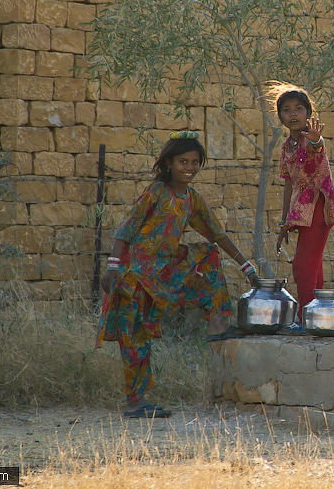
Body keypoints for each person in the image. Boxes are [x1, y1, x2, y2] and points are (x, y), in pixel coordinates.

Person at [97, 131, 258, 418]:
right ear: (169, 163)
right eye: (183, 161)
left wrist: (247, 267)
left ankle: (218, 323)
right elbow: (128, 228)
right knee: (135, 336)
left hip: (164, 272)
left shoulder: (192, 200)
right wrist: (111, 266)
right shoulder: (157, 192)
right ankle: (136, 402)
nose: (189, 168)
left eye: (195, 163)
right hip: (135, 275)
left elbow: (216, 234)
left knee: (207, 255)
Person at [270, 81, 334, 333]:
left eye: (298, 109)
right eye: (287, 110)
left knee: (302, 265)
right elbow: (288, 185)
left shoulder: (310, 139)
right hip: (301, 212)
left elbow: (317, 146)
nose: (293, 114)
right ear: (280, 116)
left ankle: (304, 318)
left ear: (308, 114)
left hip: (319, 207)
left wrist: (316, 139)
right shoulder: (285, 148)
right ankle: (319, 319)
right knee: (313, 265)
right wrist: (284, 222)